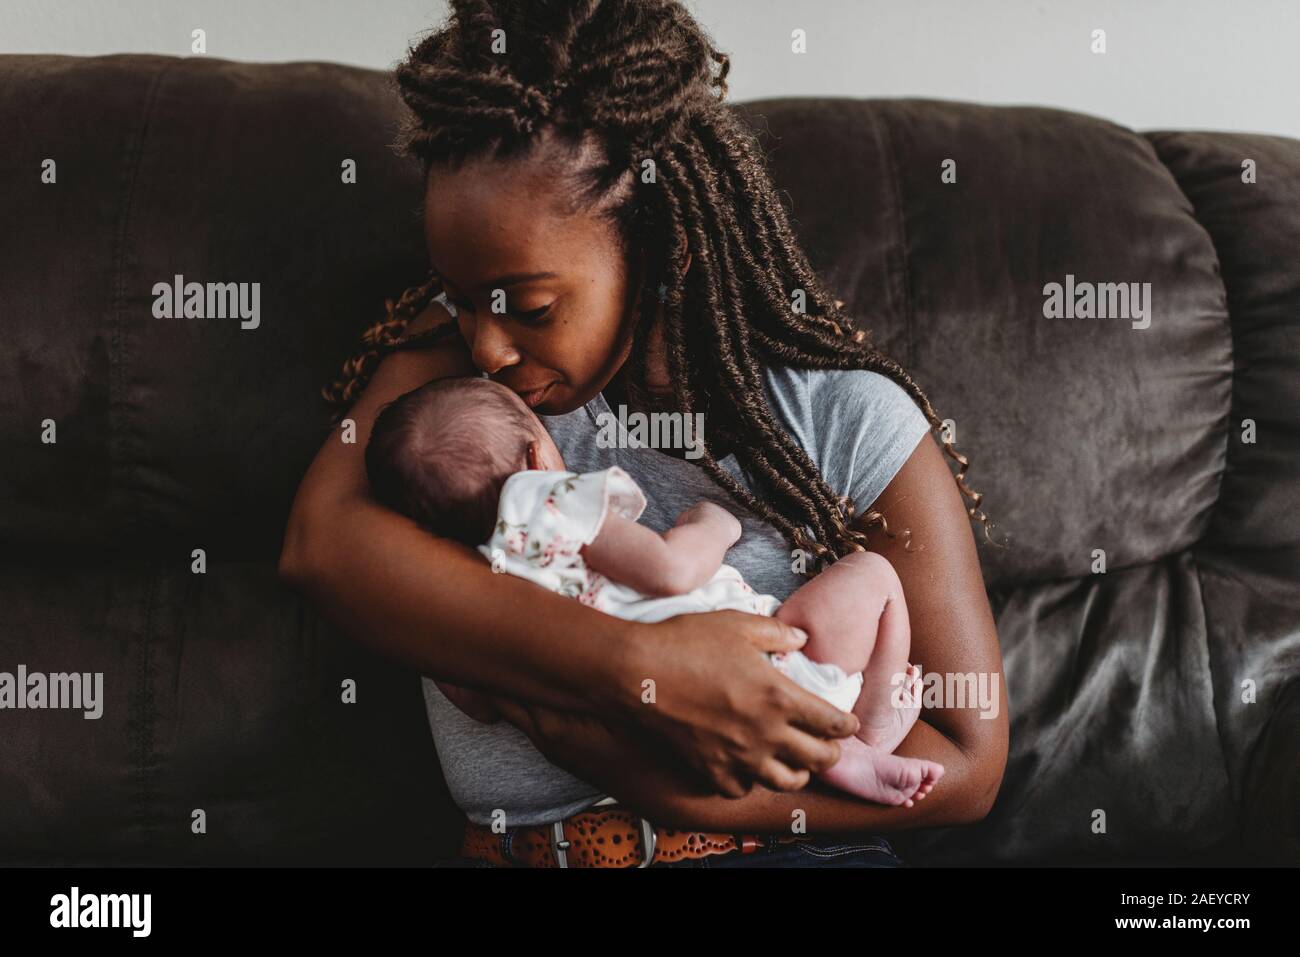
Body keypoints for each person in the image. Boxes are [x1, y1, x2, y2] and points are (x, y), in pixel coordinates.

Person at [279, 0, 1008, 868]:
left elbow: (969, 761)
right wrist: (636, 671)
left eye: (530, 305)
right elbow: (322, 545)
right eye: (458, 296)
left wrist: (678, 788)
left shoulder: (842, 418)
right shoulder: (454, 393)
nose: (487, 340)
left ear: (657, 241)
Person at [364, 375, 945, 808]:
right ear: (536, 455)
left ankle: (845, 752)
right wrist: (711, 523)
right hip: (766, 665)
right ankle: (869, 726)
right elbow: (670, 572)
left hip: (653, 739)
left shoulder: (465, 580)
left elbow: (477, 702)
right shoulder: (543, 502)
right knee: (872, 575)